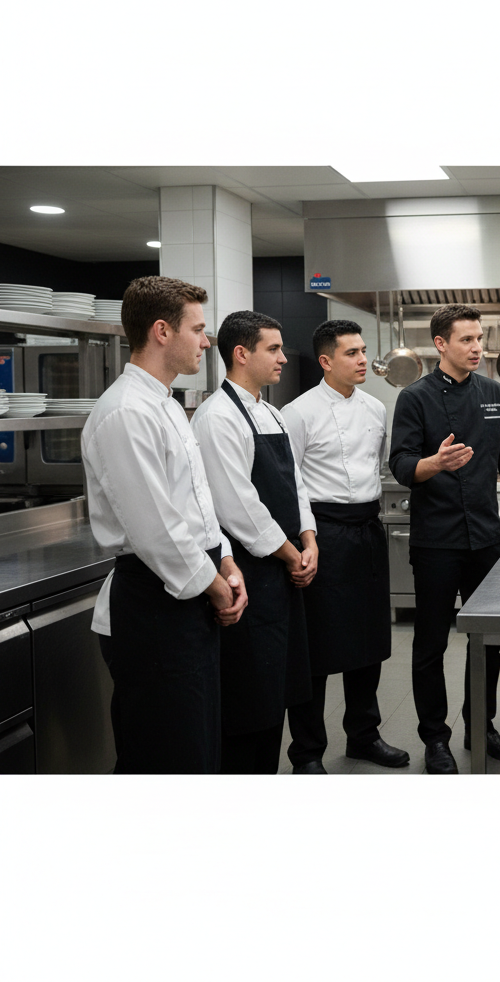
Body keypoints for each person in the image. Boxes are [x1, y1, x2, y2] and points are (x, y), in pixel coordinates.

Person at [389, 303, 500, 773]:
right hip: (436, 540)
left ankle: (480, 726)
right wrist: (436, 463)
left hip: (486, 538)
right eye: (467, 340)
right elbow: (403, 464)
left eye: (480, 338)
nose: (477, 348)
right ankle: (435, 738)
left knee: (486, 641)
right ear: (441, 344)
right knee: (430, 642)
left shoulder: (493, 392)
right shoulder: (415, 397)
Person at [82, 276, 247, 773]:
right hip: (154, 606)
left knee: (195, 746)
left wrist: (229, 561)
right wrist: (218, 588)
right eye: (198, 329)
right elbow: (158, 530)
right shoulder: (126, 413)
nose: (206, 341)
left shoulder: (168, 403)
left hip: (190, 596)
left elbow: (196, 505)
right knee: (163, 754)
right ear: (161, 331)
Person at [281, 320, 409, 773]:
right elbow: (289, 482)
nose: (362, 361)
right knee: (315, 650)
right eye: (352, 353)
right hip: (322, 533)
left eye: (362, 352)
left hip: (366, 530)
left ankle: (363, 736)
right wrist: (304, 540)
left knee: (369, 643)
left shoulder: (376, 407)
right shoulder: (297, 412)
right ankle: (307, 752)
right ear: (325, 361)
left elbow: (375, 468)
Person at [191, 310, 316, 774]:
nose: (284, 357)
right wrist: (290, 554)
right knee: (249, 700)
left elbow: (296, 486)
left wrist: (309, 540)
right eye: (274, 349)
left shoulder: (271, 413)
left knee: (277, 691)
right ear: (241, 354)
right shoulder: (217, 417)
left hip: (284, 573)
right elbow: (236, 505)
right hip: (248, 573)